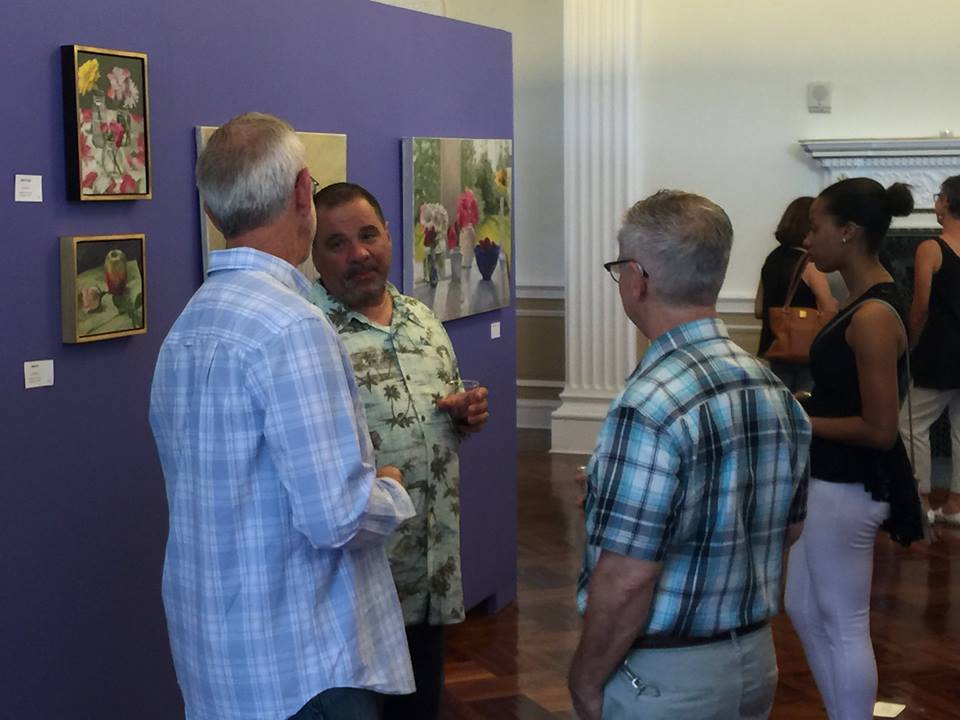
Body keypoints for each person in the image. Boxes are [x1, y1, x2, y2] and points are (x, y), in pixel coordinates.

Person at [149, 114, 415, 720]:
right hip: (302, 663)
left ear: (215, 214)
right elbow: (336, 519)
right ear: (303, 194)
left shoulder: (187, 327)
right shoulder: (293, 327)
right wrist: (392, 491)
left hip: (215, 649)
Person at [568, 190, 811, 720]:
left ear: (637, 278)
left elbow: (629, 577)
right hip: (753, 659)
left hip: (666, 678)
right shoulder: (770, 386)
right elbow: (785, 527)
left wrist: (584, 682)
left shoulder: (649, 404)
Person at [308, 182, 490, 720]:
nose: (359, 253)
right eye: (336, 243)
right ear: (314, 255)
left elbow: (437, 428)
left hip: (429, 578)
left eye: (368, 235)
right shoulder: (309, 336)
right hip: (354, 596)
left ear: (389, 234)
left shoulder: (425, 322)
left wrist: (463, 417)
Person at [785, 178, 924, 720]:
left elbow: (880, 429)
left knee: (843, 620)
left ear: (848, 232)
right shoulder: (862, 301)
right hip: (831, 478)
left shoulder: (871, 315)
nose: (808, 237)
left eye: (816, 226)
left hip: (851, 485)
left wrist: (799, 416)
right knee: (801, 604)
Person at [899, 175, 960, 524]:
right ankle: (955, 503)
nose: (935, 203)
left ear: (948, 203)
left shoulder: (931, 248)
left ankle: (919, 500)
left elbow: (920, 305)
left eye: (938, 197)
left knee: (910, 425)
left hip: (939, 350)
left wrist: (910, 340)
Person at [755, 196, 839, 392]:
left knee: (783, 401)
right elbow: (828, 308)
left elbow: (759, 309)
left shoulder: (771, 259)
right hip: (805, 348)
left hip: (776, 345)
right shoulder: (808, 264)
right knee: (805, 402)